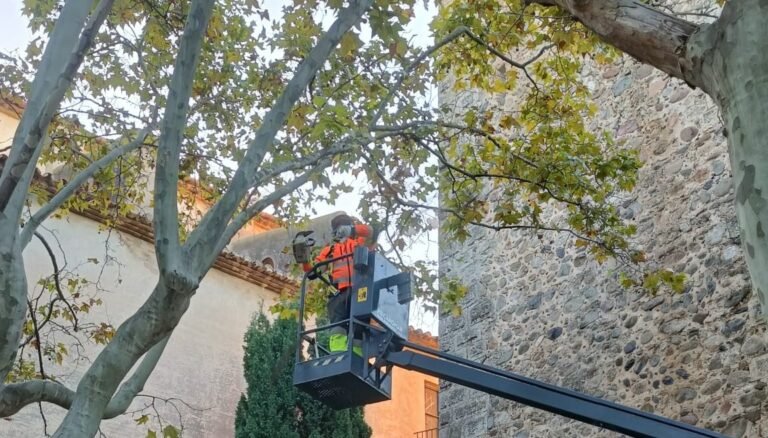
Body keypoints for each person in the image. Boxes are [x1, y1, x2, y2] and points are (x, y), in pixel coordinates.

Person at [303, 213, 373, 354]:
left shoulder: (359, 244)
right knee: (338, 322)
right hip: (338, 291)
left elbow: (371, 232)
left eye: (343, 227)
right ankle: (337, 352)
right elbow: (312, 273)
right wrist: (303, 259)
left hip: (360, 290)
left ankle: (357, 355)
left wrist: (354, 229)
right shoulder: (330, 250)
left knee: (360, 323)